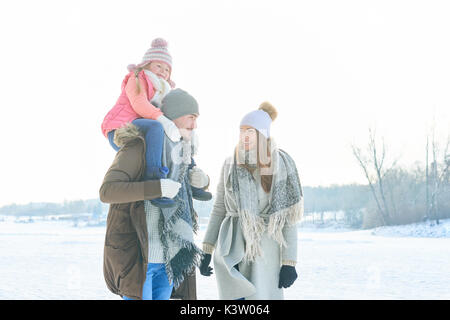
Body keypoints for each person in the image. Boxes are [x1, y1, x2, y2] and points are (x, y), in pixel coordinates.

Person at [100, 89, 209, 300]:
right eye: (191, 118)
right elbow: (107, 191)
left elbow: (184, 194)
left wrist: (202, 181)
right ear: (175, 115)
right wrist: (156, 188)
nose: (194, 125)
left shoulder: (182, 153)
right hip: (138, 259)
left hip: (169, 261)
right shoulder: (139, 146)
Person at [199, 102, 304, 300]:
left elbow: (287, 218)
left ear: (262, 135)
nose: (244, 136)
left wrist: (289, 263)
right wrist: (207, 249)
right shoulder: (230, 163)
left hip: (264, 252)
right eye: (241, 131)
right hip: (231, 246)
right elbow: (219, 208)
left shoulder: (280, 166)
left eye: (250, 131)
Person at [100, 38, 211, 208]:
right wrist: (163, 120)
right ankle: (155, 180)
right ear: (146, 65)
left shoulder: (162, 90)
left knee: (181, 133)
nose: (163, 71)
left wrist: (182, 129)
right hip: (121, 126)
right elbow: (139, 104)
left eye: (167, 69)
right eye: (158, 66)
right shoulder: (137, 78)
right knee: (156, 127)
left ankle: (192, 178)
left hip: (143, 125)